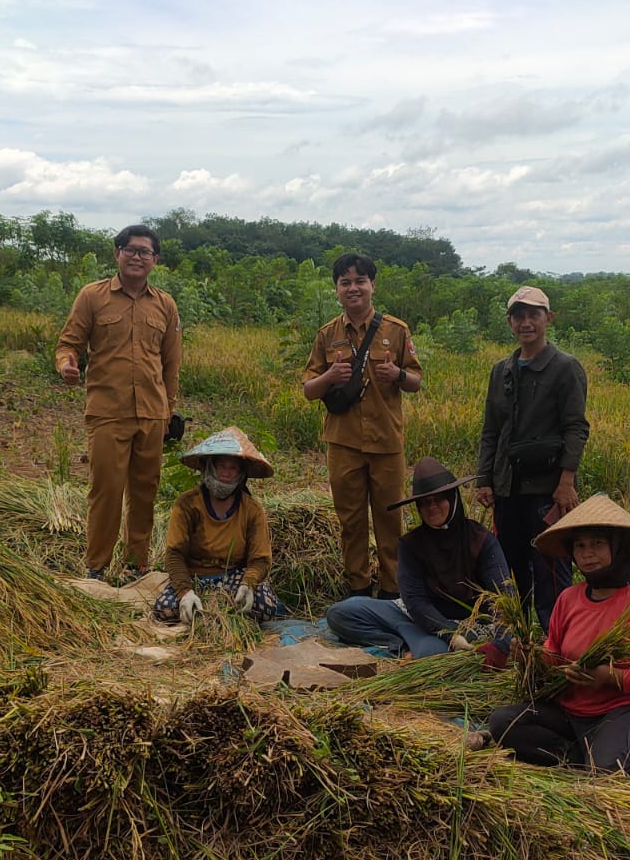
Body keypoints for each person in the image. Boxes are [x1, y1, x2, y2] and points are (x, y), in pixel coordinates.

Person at [485, 495, 630, 776]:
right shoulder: (569, 599)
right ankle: (588, 756)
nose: (587, 553)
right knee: (502, 723)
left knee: (609, 770)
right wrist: (532, 656)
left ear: (617, 548)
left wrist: (610, 676)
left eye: (597, 544)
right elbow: (556, 656)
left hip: (624, 709)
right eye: (580, 546)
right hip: (573, 712)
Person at [55, 225, 182, 581]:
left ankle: (136, 565)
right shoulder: (92, 297)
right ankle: (96, 567)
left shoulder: (165, 305)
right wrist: (67, 364)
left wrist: (168, 410)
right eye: (130, 249)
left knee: (145, 492)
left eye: (144, 251)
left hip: (152, 414)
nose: (136, 256)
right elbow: (68, 343)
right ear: (117, 254)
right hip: (108, 412)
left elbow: (171, 364)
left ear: (155, 260)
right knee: (106, 491)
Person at [302, 253, 422, 598]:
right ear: (336, 289)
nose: (353, 288)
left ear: (372, 285)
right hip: (343, 442)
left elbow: (416, 380)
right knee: (350, 520)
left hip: (386, 442)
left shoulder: (396, 331)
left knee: (389, 520)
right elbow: (309, 390)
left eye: (360, 281)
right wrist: (329, 376)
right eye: (345, 282)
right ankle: (357, 586)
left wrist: (398, 374)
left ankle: (391, 590)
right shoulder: (327, 335)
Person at [475, 285, 589, 631]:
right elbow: (491, 430)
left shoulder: (565, 368)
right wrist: (484, 479)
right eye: (519, 316)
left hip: (546, 489)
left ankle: (558, 643)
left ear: (548, 319)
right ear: (510, 323)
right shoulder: (502, 370)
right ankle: (517, 640)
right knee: (510, 568)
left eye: (533, 315)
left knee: (551, 570)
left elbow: (576, 428)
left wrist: (566, 482)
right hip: (508, 488)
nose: (526, 323)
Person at [325, 457, 510, 658]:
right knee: (340, 613)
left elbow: (502, 595)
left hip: (468, 624)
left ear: (453, 498)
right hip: (419, 617)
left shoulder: (481, 540)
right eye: (424, 503)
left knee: (433, 656)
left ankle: (419, 644)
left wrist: (500, 643)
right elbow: (415, 601)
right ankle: (401, 644)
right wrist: (449, 635)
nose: (431, 507)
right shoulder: (411, 544)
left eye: (438, 499)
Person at [152, 427, 288, 626]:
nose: (226, 473)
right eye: (221, 466)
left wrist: (248, 585)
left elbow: (260, 558)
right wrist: (185, 591)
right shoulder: (187, 504)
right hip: (194, 577)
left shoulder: (251, 509)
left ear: (241, 473)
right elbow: (174, 554)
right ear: (210, 467)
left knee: (265, 608)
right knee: (164, 610)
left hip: (234, 577)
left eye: (233, 468)